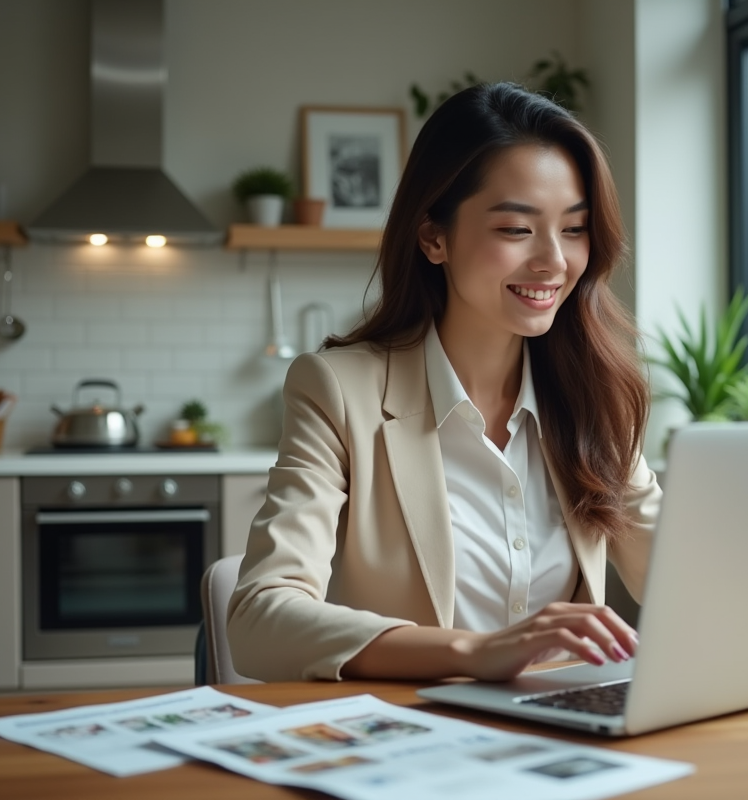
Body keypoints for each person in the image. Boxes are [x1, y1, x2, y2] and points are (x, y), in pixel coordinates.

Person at [228, 82, 662, 683]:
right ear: (434, 237)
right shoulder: (337, 390)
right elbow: (259, 620)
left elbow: (676, 579)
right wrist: (474, 653)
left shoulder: (598, 397)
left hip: (568, 733)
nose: (554, 262)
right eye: (516, 229)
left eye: (574, 229)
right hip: (412, 737)